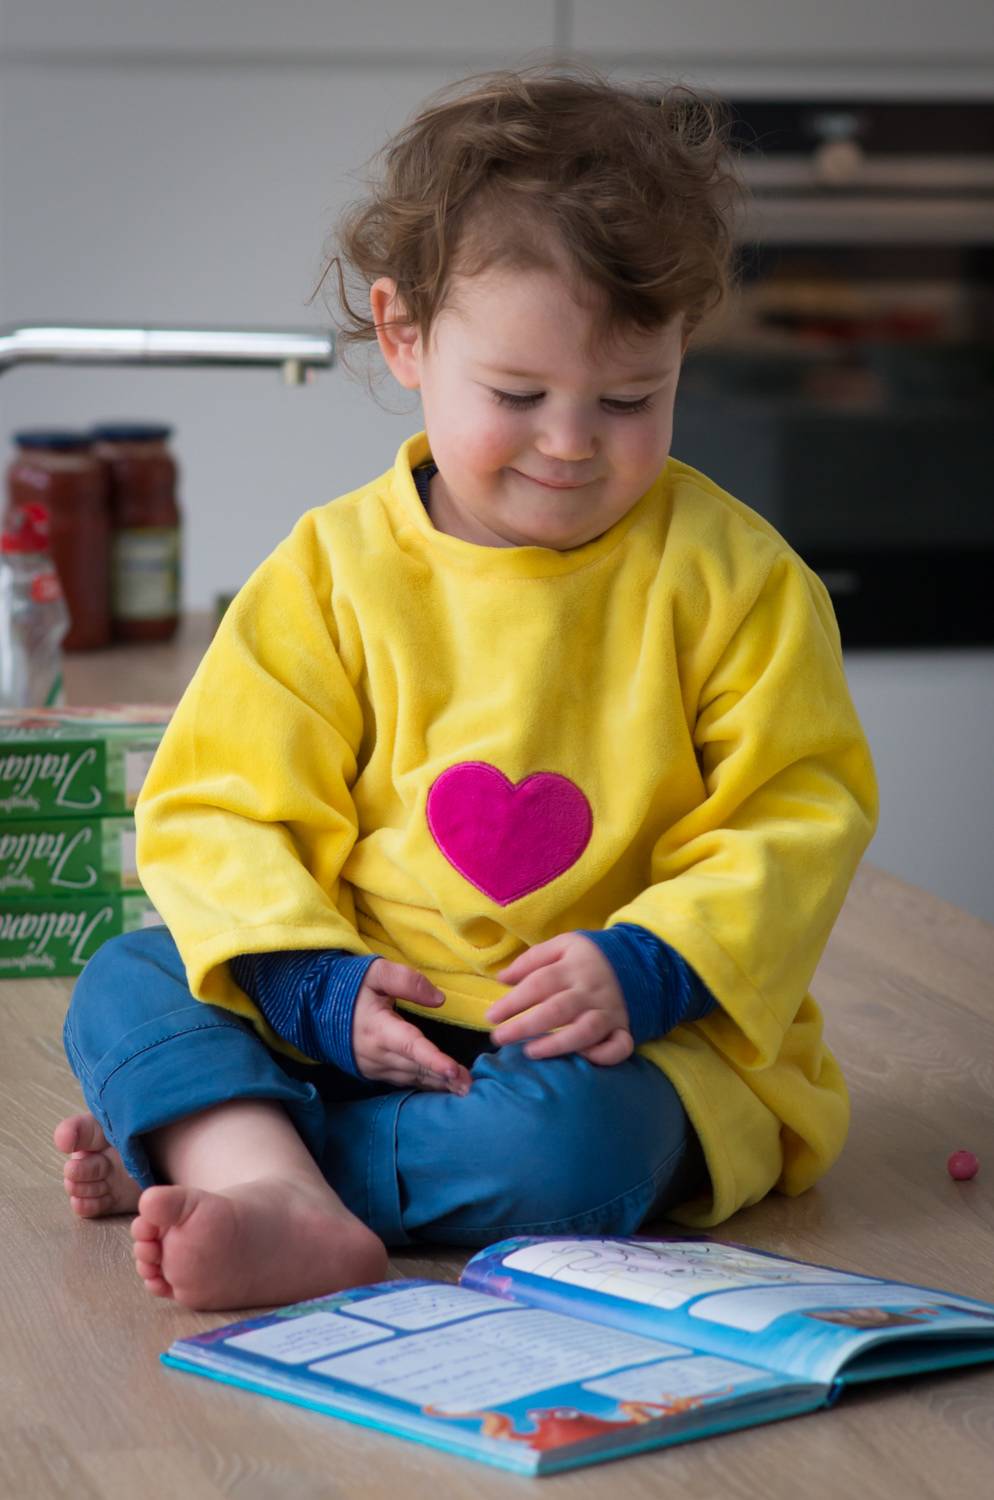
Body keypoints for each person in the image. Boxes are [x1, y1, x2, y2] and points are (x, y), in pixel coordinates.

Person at [54, 68, 877, 1311]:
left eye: (629, 398)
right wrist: (314, 987)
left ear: (679, 352)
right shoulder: (328, 574)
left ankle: (237, 1157)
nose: (570, 441)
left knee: (574, 1152)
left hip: (601, 1047)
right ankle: (256, 1163)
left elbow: (798, 811)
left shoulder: (739, 582)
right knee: (130, 978)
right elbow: (218, 810)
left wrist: (649, 966)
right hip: (357, 1015)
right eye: (517, 395)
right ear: (404, 336)